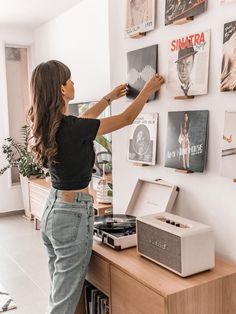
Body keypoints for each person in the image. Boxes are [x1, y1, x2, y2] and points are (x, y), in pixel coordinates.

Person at [27, 60, 164, 314]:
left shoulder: (53, 125)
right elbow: (127, 118)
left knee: (59, 294)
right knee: (64, 304)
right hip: (71, 215)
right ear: (61, 89)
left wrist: (108, 98)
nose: (73, 83)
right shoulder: (70, 127)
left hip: (52, 211)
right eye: (70, 80)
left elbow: (85, 121)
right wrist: (148, 88)